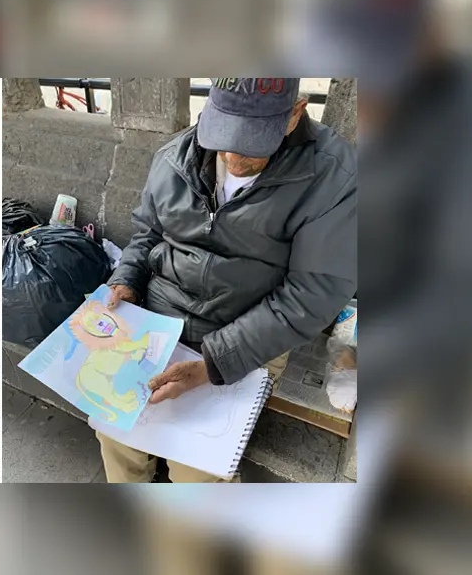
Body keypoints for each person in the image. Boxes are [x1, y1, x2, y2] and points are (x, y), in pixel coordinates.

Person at [98, 77, 357, 482]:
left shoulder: (333, 178)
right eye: (222, 134)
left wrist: (213, 363)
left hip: (250, 331)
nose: (233, 157)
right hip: (160, 321)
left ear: (294, 115)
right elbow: (146, 233)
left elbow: (312, 295)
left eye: (252, 142)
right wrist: (126, 279)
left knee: (197, 468)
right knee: (115, 430)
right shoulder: (174, 157)